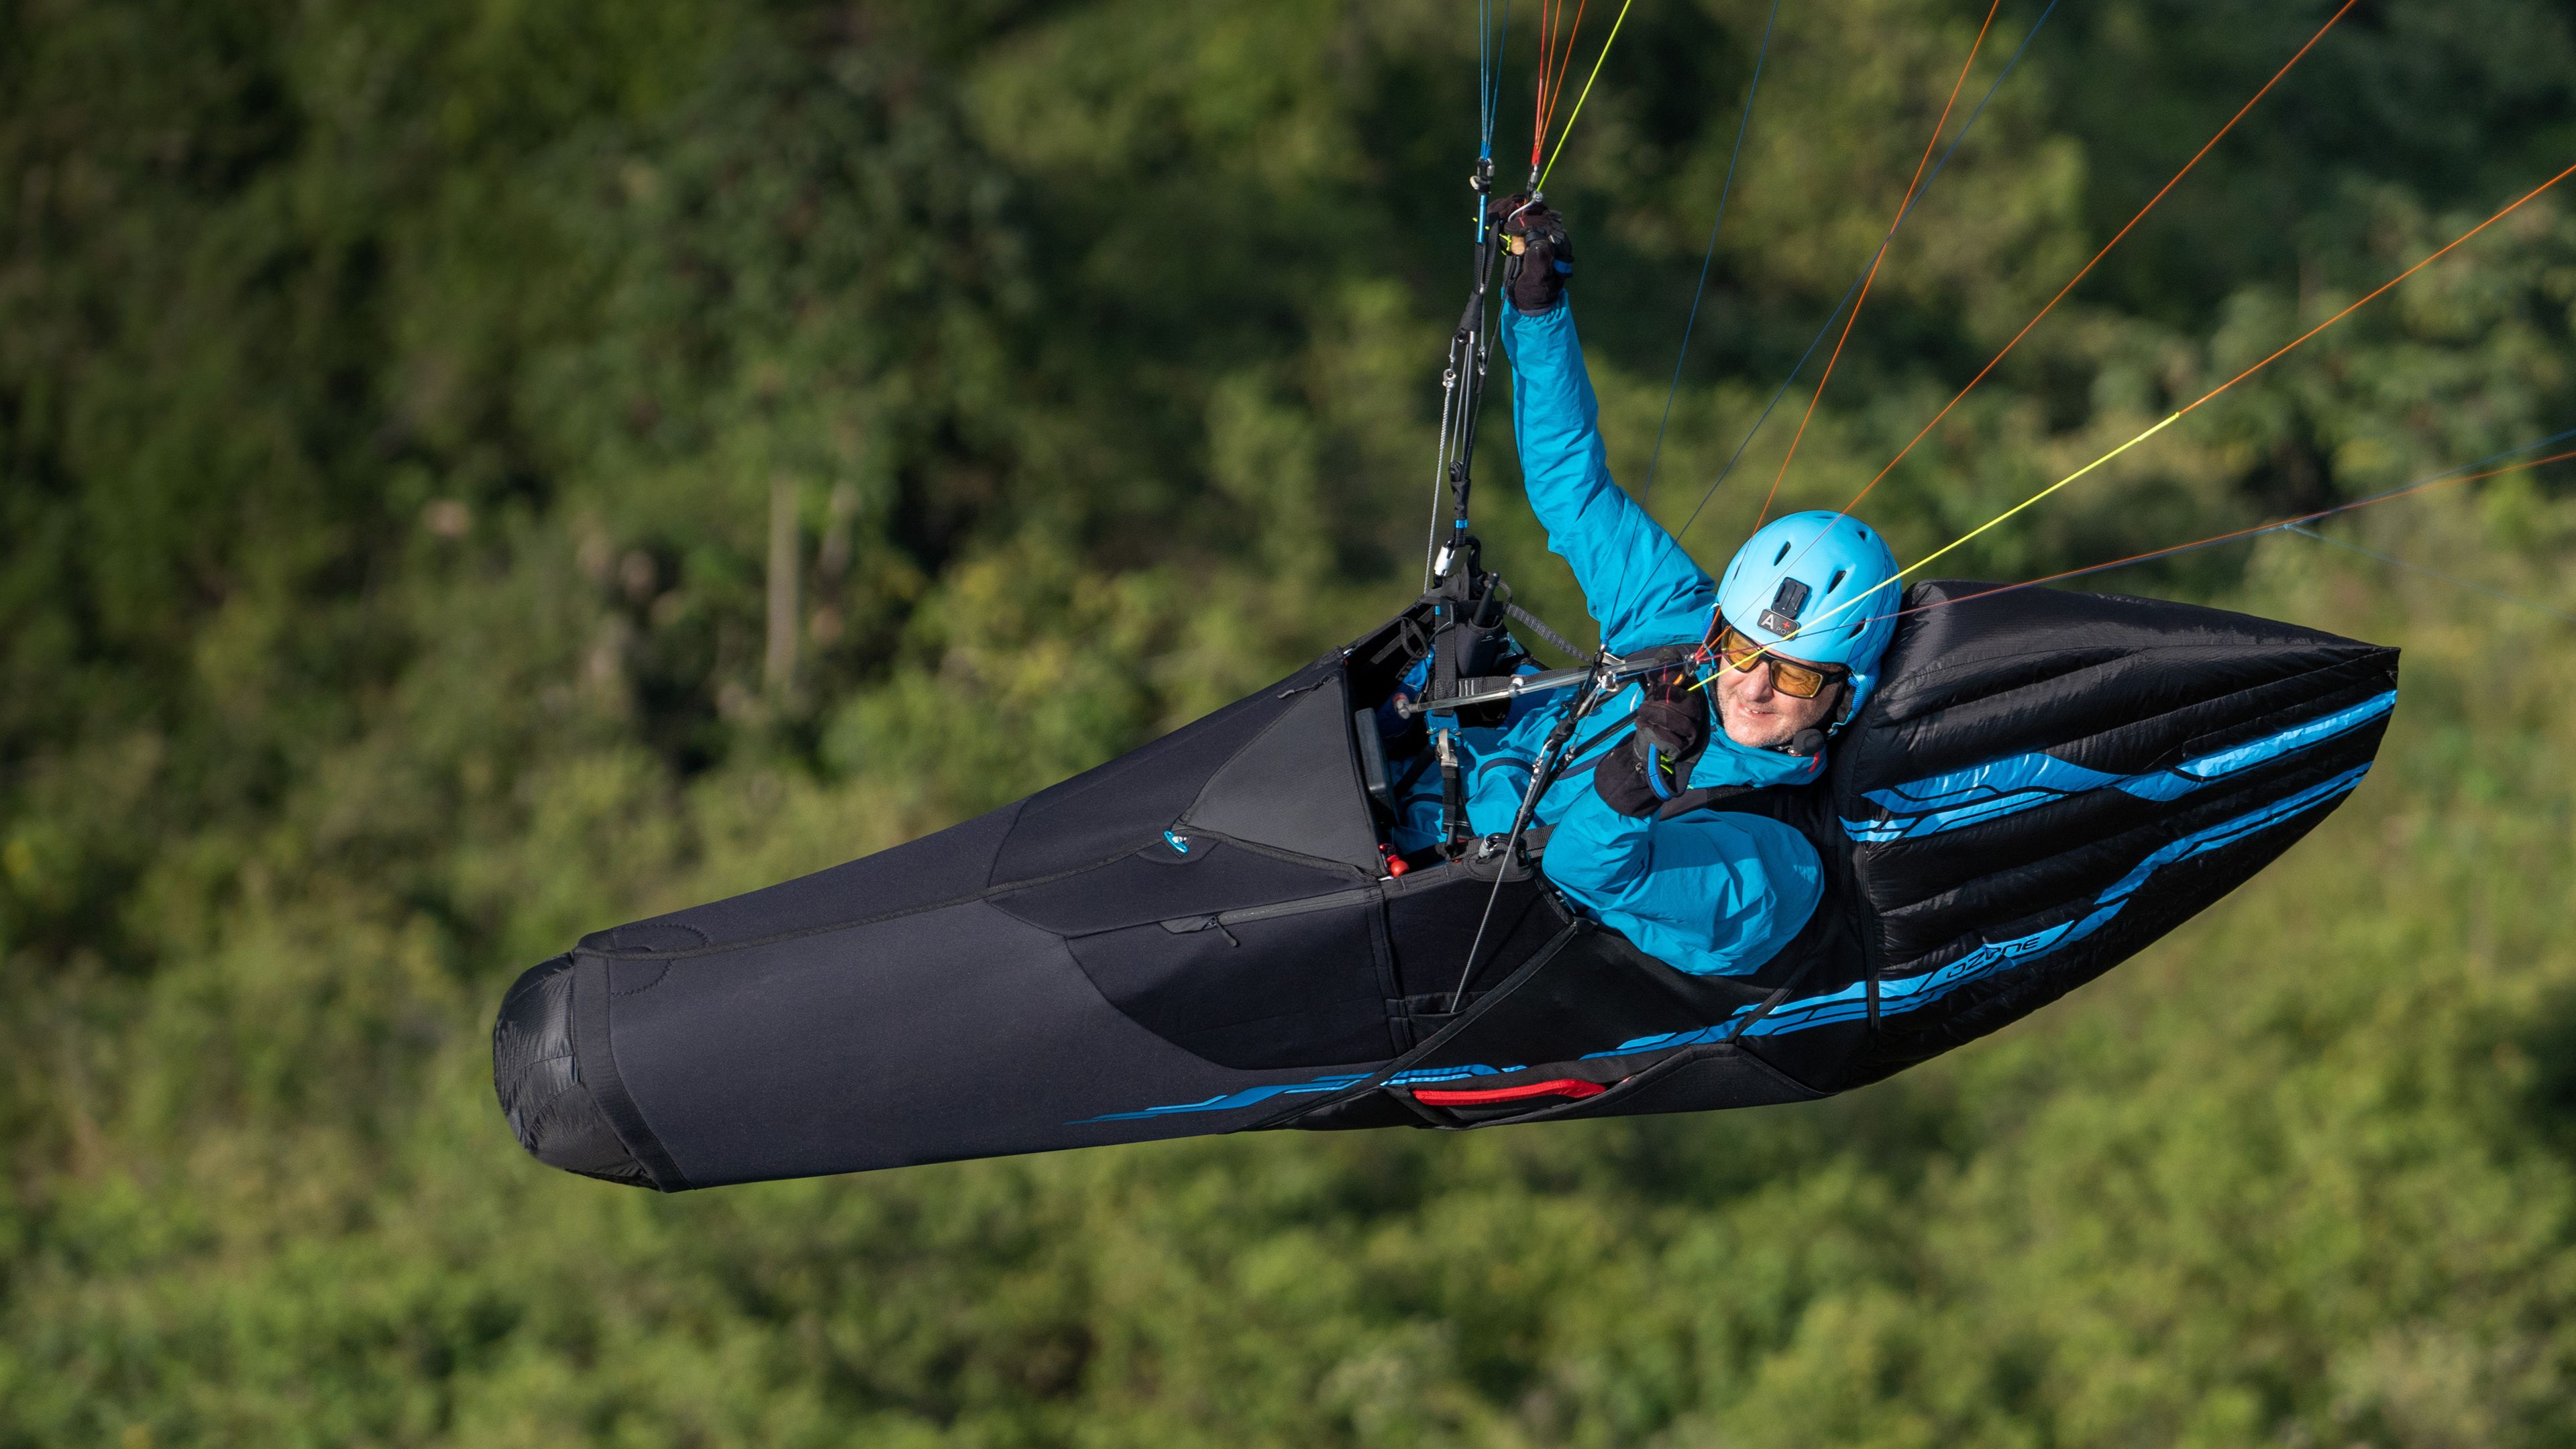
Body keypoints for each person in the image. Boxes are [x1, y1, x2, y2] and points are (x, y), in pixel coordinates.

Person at [1385, 193, 1902, 978]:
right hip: (1403, 774)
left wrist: (1638, 778)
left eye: (1794, 673)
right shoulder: (1675, 619)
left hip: (1423, 916)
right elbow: (1573, 488)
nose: (1751, 686)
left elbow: (1591, 871)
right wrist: (1539, 311)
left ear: (1845, 696)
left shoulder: (1779, 862)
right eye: (1739, 647)